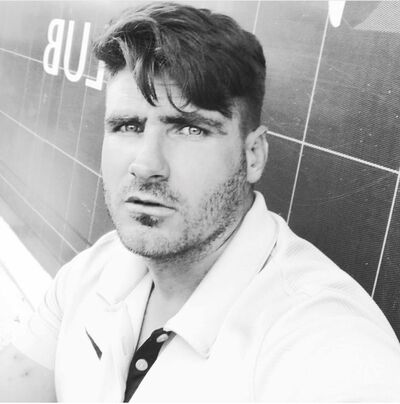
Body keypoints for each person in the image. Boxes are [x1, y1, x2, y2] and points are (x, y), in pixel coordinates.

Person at [1, 2, 400, 401]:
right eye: (127, 126)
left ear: (253, 155)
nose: (146, 165)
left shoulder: (319, 341)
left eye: (190, 129)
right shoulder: (91, 271)